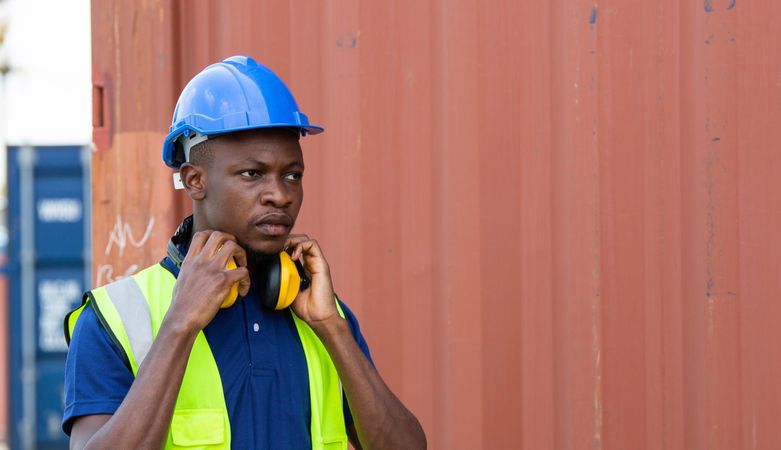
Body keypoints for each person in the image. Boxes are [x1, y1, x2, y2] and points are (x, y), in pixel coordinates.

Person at [62, 55, 426, 449]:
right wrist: (179, 325)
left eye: (293, 175)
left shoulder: (322, 312)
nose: (280, 194)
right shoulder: (115, 320)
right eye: (253, 174)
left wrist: (333, 330)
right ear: (195, 180)